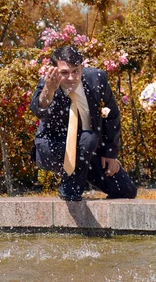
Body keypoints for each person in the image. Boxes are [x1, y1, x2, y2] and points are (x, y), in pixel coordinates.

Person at [30, 45, 137, 201]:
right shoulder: (48, 84)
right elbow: (38, 109)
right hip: (53, 149)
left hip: (89, 150)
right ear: (54, 71)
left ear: (82, 66)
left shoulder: (96, 79)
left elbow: (112, 115)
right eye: (64, 73)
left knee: (126, 191)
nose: (72, 78)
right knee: (89, 138)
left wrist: (110, 153)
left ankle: (76, 180)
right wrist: (49, 90)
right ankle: (70, 186)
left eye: (76, 71)